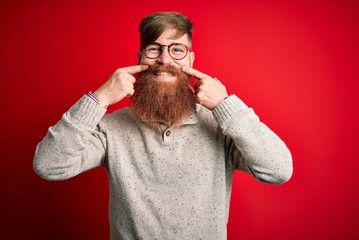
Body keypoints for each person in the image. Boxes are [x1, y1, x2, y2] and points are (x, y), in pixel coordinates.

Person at [34, 11, 293, 240]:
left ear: (191, 59)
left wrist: (226, 105)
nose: (165, 59)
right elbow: (49, 166)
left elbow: (278, 170)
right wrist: (98, 98)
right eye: (154, 49)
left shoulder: (221, 126)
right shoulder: (111, 128)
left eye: (177, 49)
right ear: (140, 57)